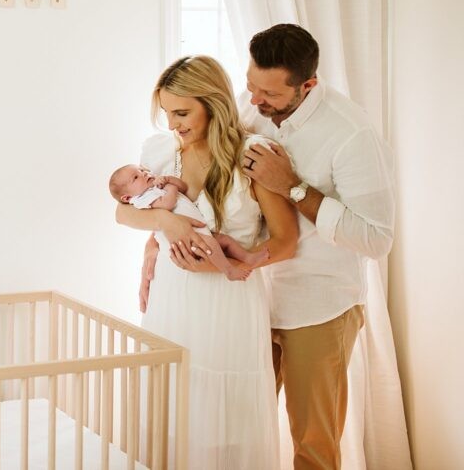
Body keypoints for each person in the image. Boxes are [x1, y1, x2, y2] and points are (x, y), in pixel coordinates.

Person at [143, 24, 396, 470]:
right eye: (250, 86)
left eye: (269, 94)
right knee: (237, 430)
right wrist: (156, 244)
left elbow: (376, 237)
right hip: (248, 303)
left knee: (312, 444)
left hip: (315, 303)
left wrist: (294, 188)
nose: (255, 101)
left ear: (307, 85)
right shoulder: (250, 108)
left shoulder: (351, 133)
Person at [116, 55, 299, 469]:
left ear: (213, 104)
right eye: (166, 112)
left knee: (223, 422)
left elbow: (286, 242)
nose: (172, 124)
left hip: (227, 301)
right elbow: (127, 211)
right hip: (171, 298)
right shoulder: (160, 152)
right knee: (173, 410)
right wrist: (156, 236)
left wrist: (220, 265)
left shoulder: (252, 156)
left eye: (182, 113)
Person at [108, 164, 269, 280]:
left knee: (224, 241)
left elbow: (183, 187)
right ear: (127, 198)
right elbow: (168, 204)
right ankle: (228, 271)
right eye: (136, 177)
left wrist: (170, 180)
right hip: (187, 237)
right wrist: (170, 188)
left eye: (142, 170)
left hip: (196, 228)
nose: (143, 174)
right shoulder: (143, 199)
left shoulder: (155, 186)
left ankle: (248, 258)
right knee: (211, 245)